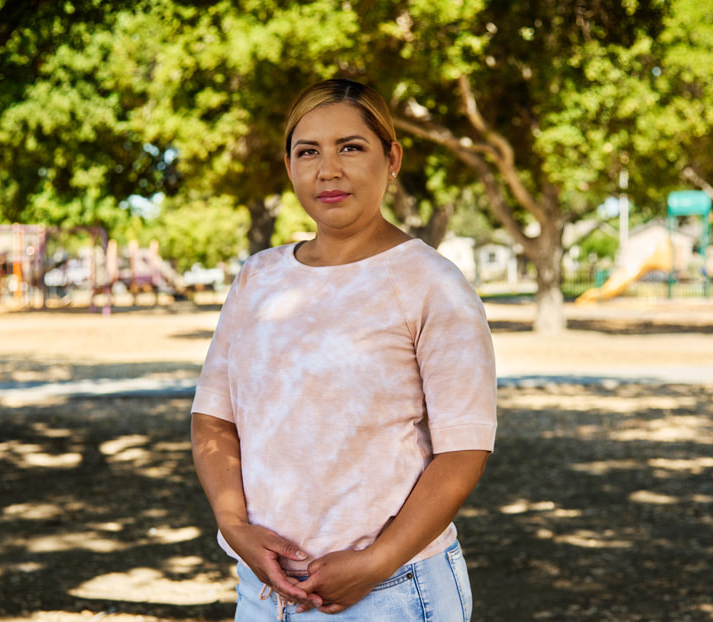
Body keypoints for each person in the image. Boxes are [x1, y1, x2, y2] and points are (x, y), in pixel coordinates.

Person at [191, 78, 497, 621]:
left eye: (350, 147)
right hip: (264, 593)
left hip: (391, 593)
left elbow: (462, 451)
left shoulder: (432, 285)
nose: (327, 169)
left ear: (392, 157)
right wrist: (236, 528)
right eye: (308, 151)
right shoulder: (258, 280)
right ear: (289, 167)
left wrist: (377, 560)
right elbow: (214, 419)